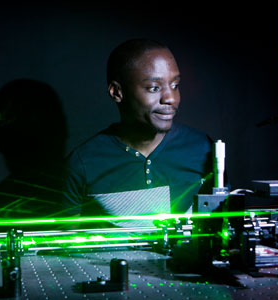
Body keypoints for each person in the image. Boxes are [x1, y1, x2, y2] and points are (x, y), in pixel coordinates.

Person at [62, 39, 214, 227]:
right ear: (117, 92)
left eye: (174, 85)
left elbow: (223, 230)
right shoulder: (83, 163)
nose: (170, 98)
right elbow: (65, 247)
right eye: (154, 88)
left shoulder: (204, 149)